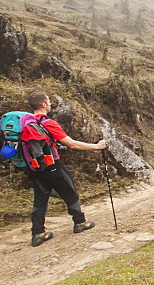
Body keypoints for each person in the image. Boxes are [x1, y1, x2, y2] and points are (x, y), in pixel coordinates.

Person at [26, 91, 106, 247]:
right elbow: (72, 144)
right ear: (43, 104)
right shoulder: (48, 123)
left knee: (40, 199)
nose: (50, 104)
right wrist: (96, 146)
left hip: (34, 168)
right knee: (70, 192)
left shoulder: (26, 123)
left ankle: (37, 233)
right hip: (53, 166)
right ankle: (79, 222)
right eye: (48, 101)